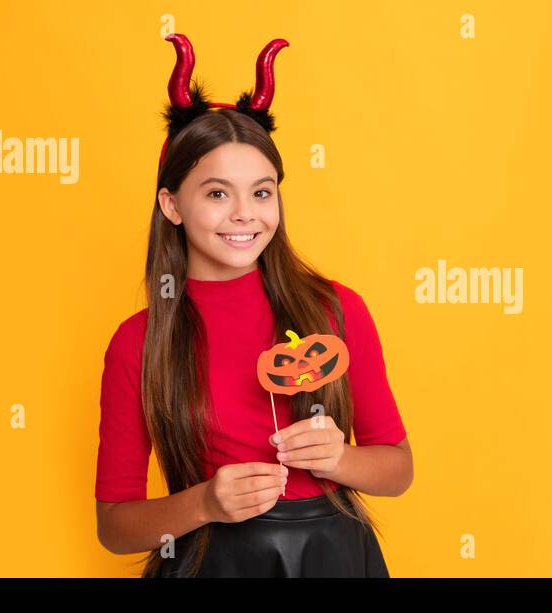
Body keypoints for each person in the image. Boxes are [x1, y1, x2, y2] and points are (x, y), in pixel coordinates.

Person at [94, 33, 413, 577]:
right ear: (172, 204)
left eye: (261, 192)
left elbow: (398, 469)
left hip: (332, 558)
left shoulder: (336, 309)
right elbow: (115, 526)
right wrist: (204, 504)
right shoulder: (138, 342)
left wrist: (340, 459)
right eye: (217, 193)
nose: (245, 214)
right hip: (214, 562)